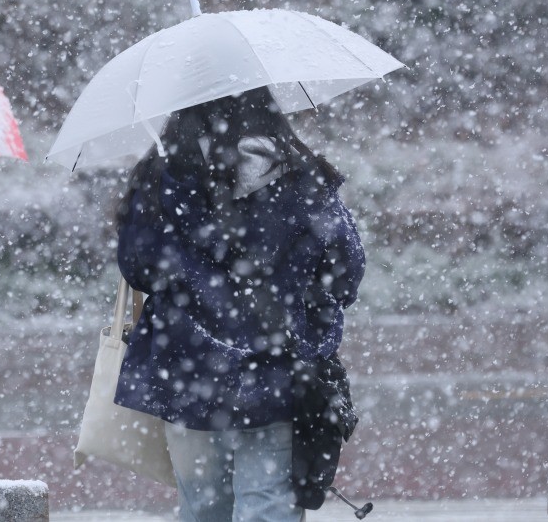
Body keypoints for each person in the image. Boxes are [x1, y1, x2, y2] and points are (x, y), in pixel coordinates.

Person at [113, 87, 365, 522]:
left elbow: (139, 268)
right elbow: (344, 273)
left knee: (202, 507)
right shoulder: (302, 176)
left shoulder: (162, 177)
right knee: (268, 505)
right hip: (278, 370)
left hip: (187, 370)